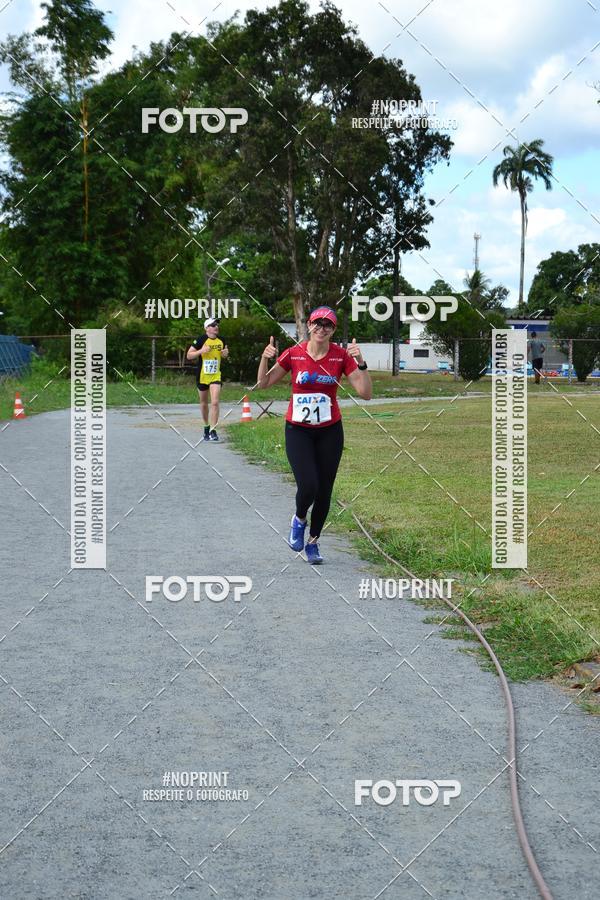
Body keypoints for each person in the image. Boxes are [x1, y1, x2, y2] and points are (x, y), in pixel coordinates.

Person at [257, 306, 372, 564]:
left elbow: (365, 393)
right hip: (298, 429)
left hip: (330, 430)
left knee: (325, 490)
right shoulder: (294, 354)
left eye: (328, 325)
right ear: (309, 325)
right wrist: (265, 358)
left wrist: (361, 362)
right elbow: (263, 384)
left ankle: (313, 542)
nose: (322, 329)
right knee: (309, 484)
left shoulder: (340, 356)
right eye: (317, 324)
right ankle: (299, 519)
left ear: (333, 330)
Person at [186, 317, 229, 441]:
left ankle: (213, 430)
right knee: (204, 403)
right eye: (213, 324)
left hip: (216, 375)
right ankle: (206, 427)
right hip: (202, 375)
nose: (216, 327)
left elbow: (225, 354)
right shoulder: (200, 340)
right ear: (207, 328)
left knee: (215, 402)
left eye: (217, 324)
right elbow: (189, 355)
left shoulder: (222, 340)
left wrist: (225, 354)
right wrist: (201, 350)